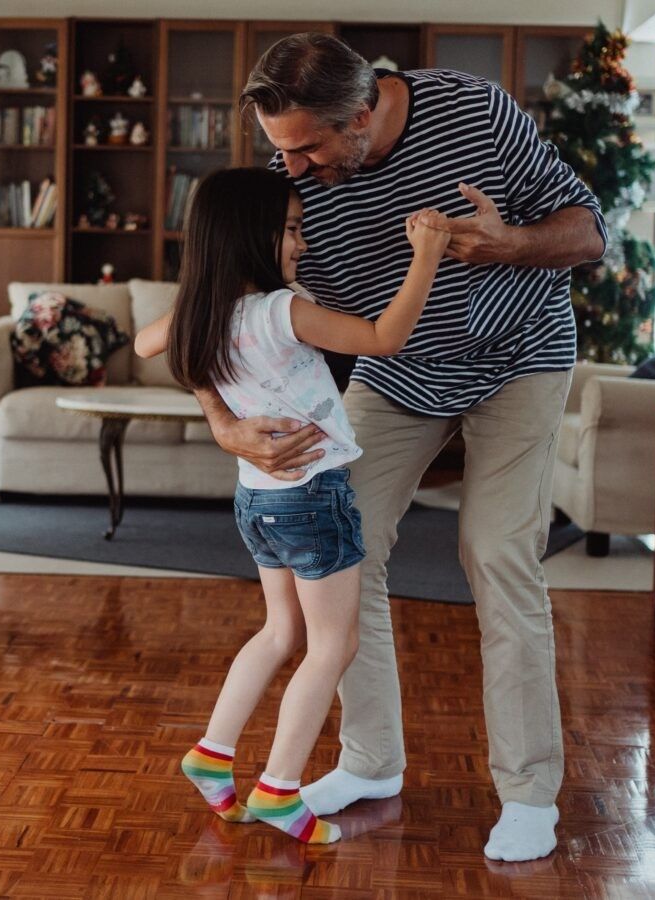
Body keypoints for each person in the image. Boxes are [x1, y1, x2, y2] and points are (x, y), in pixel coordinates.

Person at [190, 34, 610, 862]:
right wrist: (223, 423)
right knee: (342, 554)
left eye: (309, 148)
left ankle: (529, 792)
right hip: (397, 371)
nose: (295, 171)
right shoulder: (289, 168)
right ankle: (372, 762)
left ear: (364, 113)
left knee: (495, 552)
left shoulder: (476, 114)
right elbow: (211, 306)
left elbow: (591, 232)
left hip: (517, 356)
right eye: (282, 152)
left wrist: (511, 246)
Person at [134, 166, 450, 844]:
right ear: (251, 236)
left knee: (281, 634)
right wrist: (425, 256)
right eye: (292, 230)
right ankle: (280, 787)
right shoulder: (283, 311)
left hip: (258, 500)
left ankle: (213, 754)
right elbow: (384, 338)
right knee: (334, 643)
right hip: (313, 497)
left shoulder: (203, 309)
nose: (301, 244)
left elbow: (142, 342)